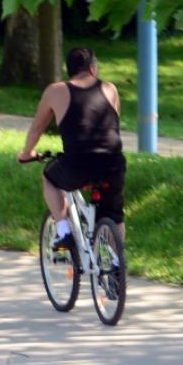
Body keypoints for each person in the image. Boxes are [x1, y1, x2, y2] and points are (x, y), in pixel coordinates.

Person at [17, 46, 125, 248]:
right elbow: (113, 124)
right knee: (115, 216)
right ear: (92, 68)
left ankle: (63, 231)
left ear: (70, 70)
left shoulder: (55, 91)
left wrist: (26, 154)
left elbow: (36, 129)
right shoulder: (110, 89)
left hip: (78, 162)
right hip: (113, 162)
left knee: (49, 178)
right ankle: (116, 268)